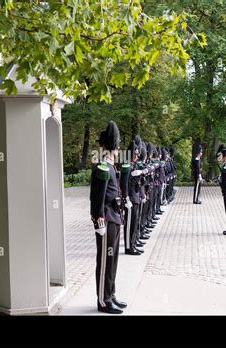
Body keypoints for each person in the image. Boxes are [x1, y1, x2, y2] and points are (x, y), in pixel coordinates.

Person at [89, 120, 126, 314]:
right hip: (107, 220)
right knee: (105, 261)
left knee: (112, 260)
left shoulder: (110, 166)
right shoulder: (103, 167)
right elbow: (98, 198)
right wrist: (98, 220)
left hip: (115, 218)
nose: (118, 150)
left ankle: (110, 294)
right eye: (116, 146)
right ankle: (103, 300)